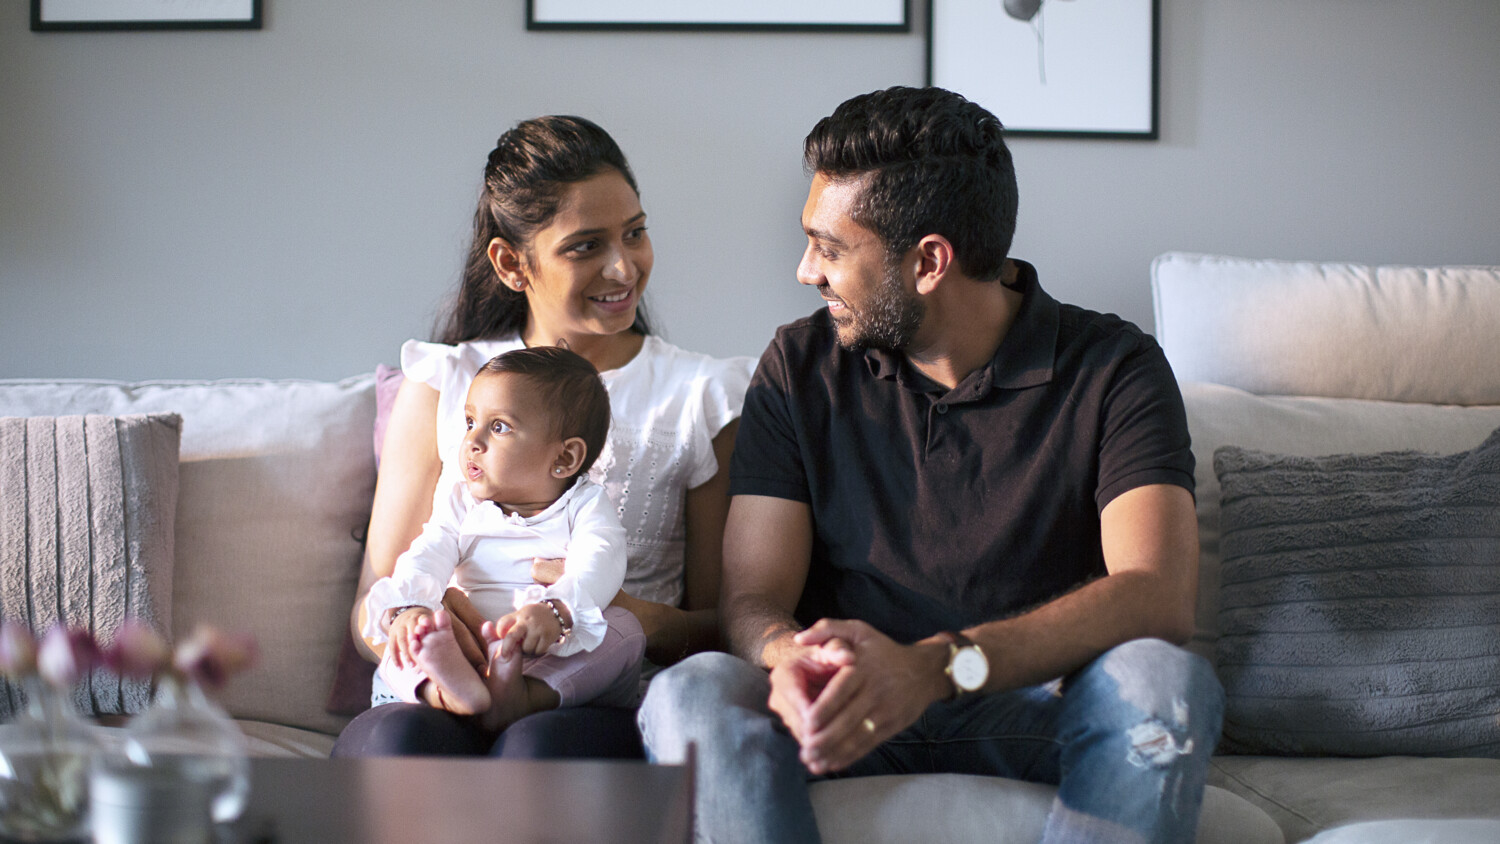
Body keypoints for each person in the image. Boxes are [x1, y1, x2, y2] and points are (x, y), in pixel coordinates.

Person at [639, 86, 1224, 843]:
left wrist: (933, 670)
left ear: (929, 262)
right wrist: (790, 659)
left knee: (1163, 684)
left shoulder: (1114, 368)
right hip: (842, 710)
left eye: (830, 247)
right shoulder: (799, 363)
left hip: (1030, 706)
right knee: (693, 692)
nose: (805, 271)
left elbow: (1157, 594)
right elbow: (752, 597)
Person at [333, 115, 750, 759]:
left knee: (536, 749)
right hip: (450, 669)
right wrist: (421, 626)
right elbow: (373, 603)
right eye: (585, 246)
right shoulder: (446, 383)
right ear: (510, 263)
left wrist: (603, 613)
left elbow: (724, 627)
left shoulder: (703, 396)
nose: (623, 267)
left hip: (586, 692)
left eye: (634, 234)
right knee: (401, 742)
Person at [364, 347, 644, 732]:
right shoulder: (462, 501)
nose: (472, 441)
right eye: (469, 422)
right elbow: (430, 551)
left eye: (499, 427)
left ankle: (525, 694)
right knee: (399, 631)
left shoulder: (585, 505)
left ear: (564, 458)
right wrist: (411, 605)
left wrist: (559, 611)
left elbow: (601, 558)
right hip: (466, 646)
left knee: (624, 628)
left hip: (547, 646)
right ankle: (444, 691)